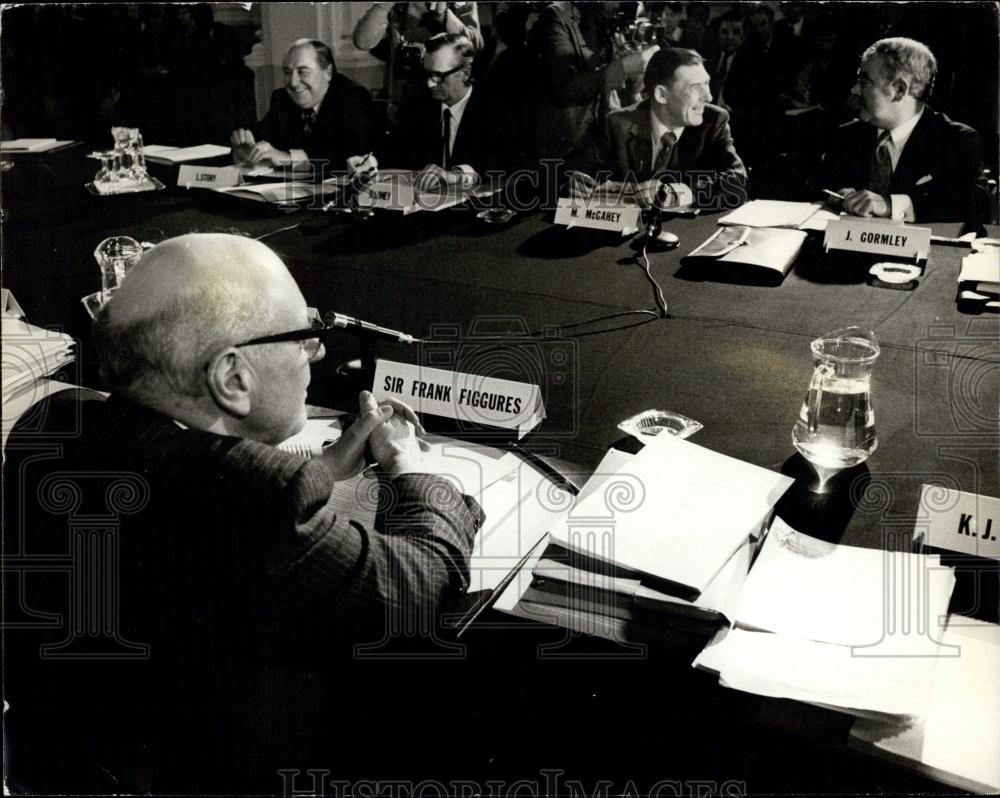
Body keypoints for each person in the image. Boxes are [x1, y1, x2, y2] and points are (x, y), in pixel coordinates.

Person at [3, 233, 484, 793]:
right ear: (233, 379)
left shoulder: (54, 419)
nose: (318, 352)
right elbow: (423, 581)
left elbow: (194, 492)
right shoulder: (260, 504)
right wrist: (410, 468)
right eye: (303, 337)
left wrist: (329, 466)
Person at [823, 37, 982, 223]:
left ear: (899, 89)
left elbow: (973, 204)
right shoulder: (846, 136)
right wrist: (837, 197)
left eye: (865, 82)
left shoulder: (954, 140)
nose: (855, 90)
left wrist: (890, 205)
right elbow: (821, 189)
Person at [568, 47, 747, 209]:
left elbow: (738, 182)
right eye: (695, 87)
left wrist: (681, 193)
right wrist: (574, 184)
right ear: (661, 94)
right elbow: (573, 172)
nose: (708, 97)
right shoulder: (615, 124)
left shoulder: (713, 120)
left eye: (706, 83)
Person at [368, 32, 513, 186]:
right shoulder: (420, 104)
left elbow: (505, 161)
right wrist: (371, 161)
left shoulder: (495, 109)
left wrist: (457, 175)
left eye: (438, 75)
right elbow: (398, 146)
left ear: (465, 73)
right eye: (427, 74)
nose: (430, 84)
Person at [531, 1, 657, 161]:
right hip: (567, 142)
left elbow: (632, 89)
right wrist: (623, 67)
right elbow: (564, 87)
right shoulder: (556, 16)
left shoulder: (617, 19)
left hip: (603, 138)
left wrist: (639, 66)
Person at [230, 39, 375, 169]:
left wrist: (289, 158)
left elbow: (351, 154)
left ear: (328, 72)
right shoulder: (282, 99)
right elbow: (265, 135)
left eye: (303, 72)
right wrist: (247, 147)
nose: (293, 82)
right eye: (287, 72)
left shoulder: (352, 98)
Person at [353, 2, 483, 125]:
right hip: (403, 101)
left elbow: (475, 44)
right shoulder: (399, 7)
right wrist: (384, 5)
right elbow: (362, 41)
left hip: (444, 100)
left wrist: (444, 15)